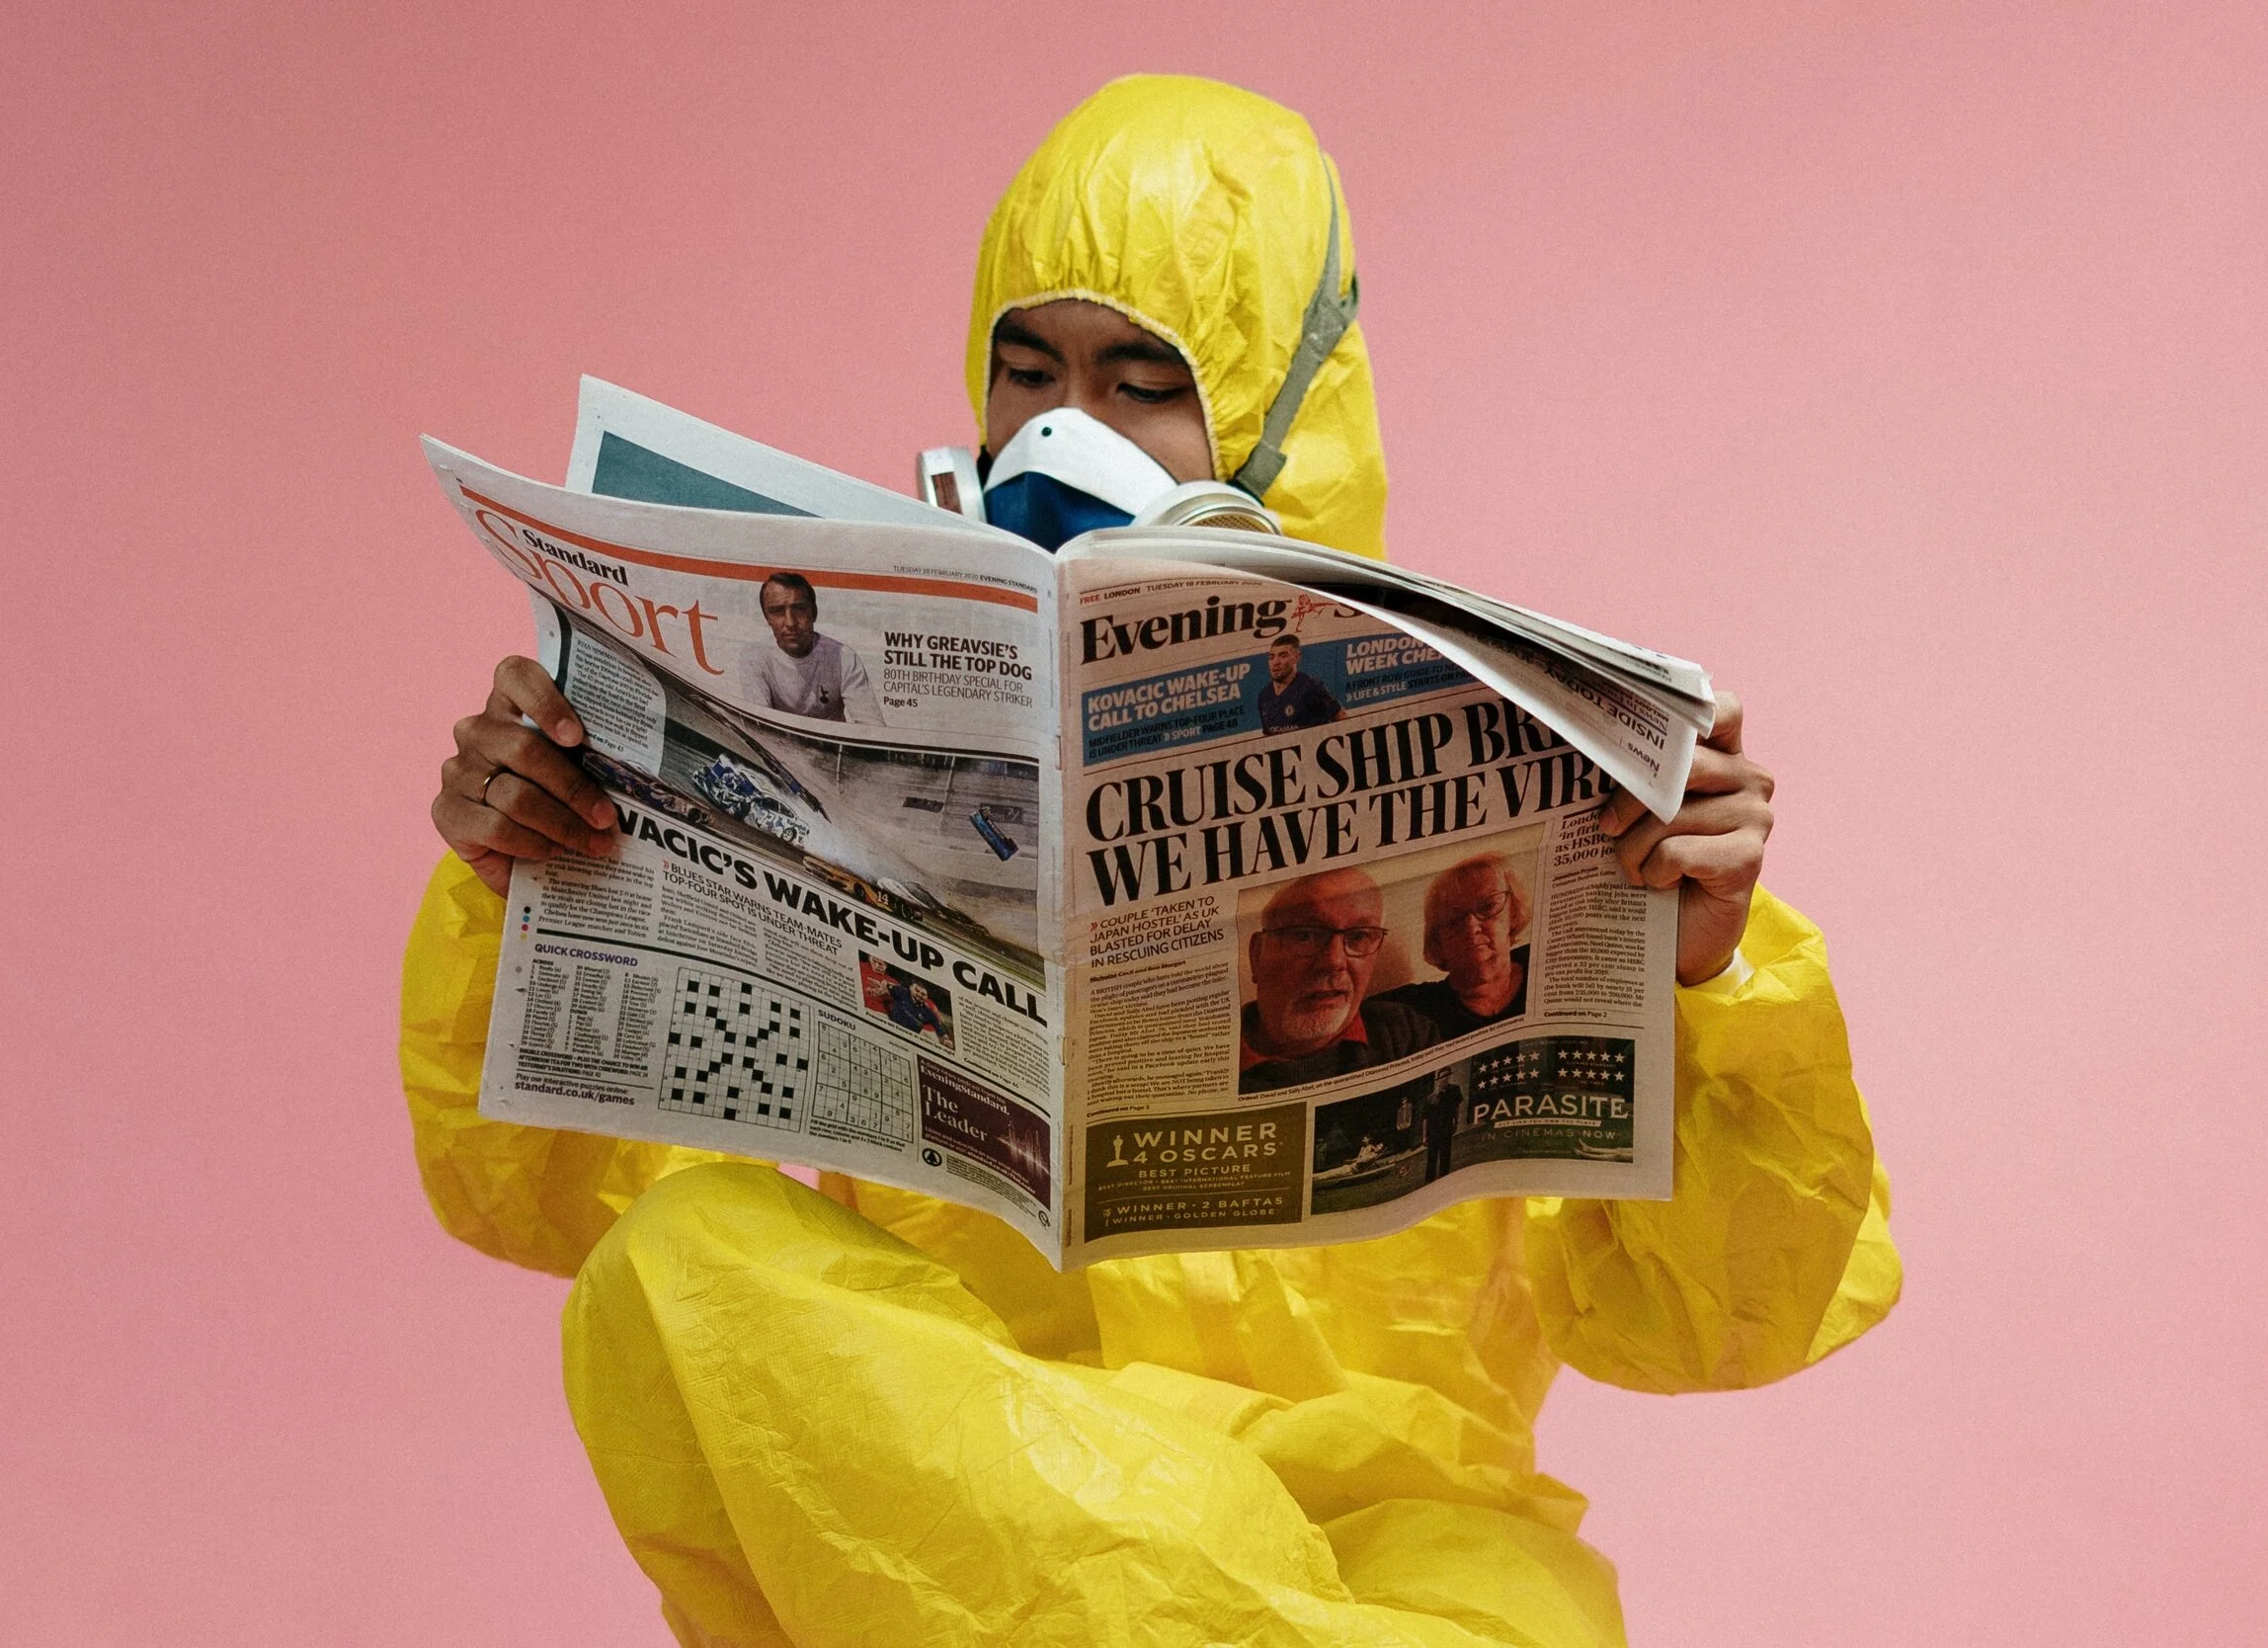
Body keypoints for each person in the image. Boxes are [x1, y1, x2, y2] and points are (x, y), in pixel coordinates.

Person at [408, 74, 1900, 1648]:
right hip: (977, 1509)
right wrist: (532, 877)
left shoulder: (1524, 764)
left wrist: (1709, 976)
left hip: (1398, 1559)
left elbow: (1719, 1322)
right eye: (1027, 371)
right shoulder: (840, 706)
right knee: (678, 1261)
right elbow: (551, 1209)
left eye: (1141, 382)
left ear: (1289, 409)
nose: (1068, 431)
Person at [1240, 866, 1439, 1093]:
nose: (1334, 962)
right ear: (1257, 954)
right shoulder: (1220, 1053)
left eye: (1359, 936)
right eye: (1305, 935)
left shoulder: (1404, 1033)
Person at [1380, 852, 1534, 1037]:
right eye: (1454, 920)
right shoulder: (1417, 1010)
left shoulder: (1544, 962)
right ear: (1438, 943)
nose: (1471, 928)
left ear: (1513, 913)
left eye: (1487, 907)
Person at [737, 571, 884, 724]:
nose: (790, 623)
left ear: (814, 613)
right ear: (767, 618)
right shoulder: (755, 657)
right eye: (778, 611)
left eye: (799, 609)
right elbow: (759, 726)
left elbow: (873, 727)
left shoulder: (843, 657)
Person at [1255, 631, 1344, 733]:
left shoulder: (1311, 686)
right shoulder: (1264, 696)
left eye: (1283, 656)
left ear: (1296, 658)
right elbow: (1267, 737)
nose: (1275, 662)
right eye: (1271, 657)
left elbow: (1342, 719)